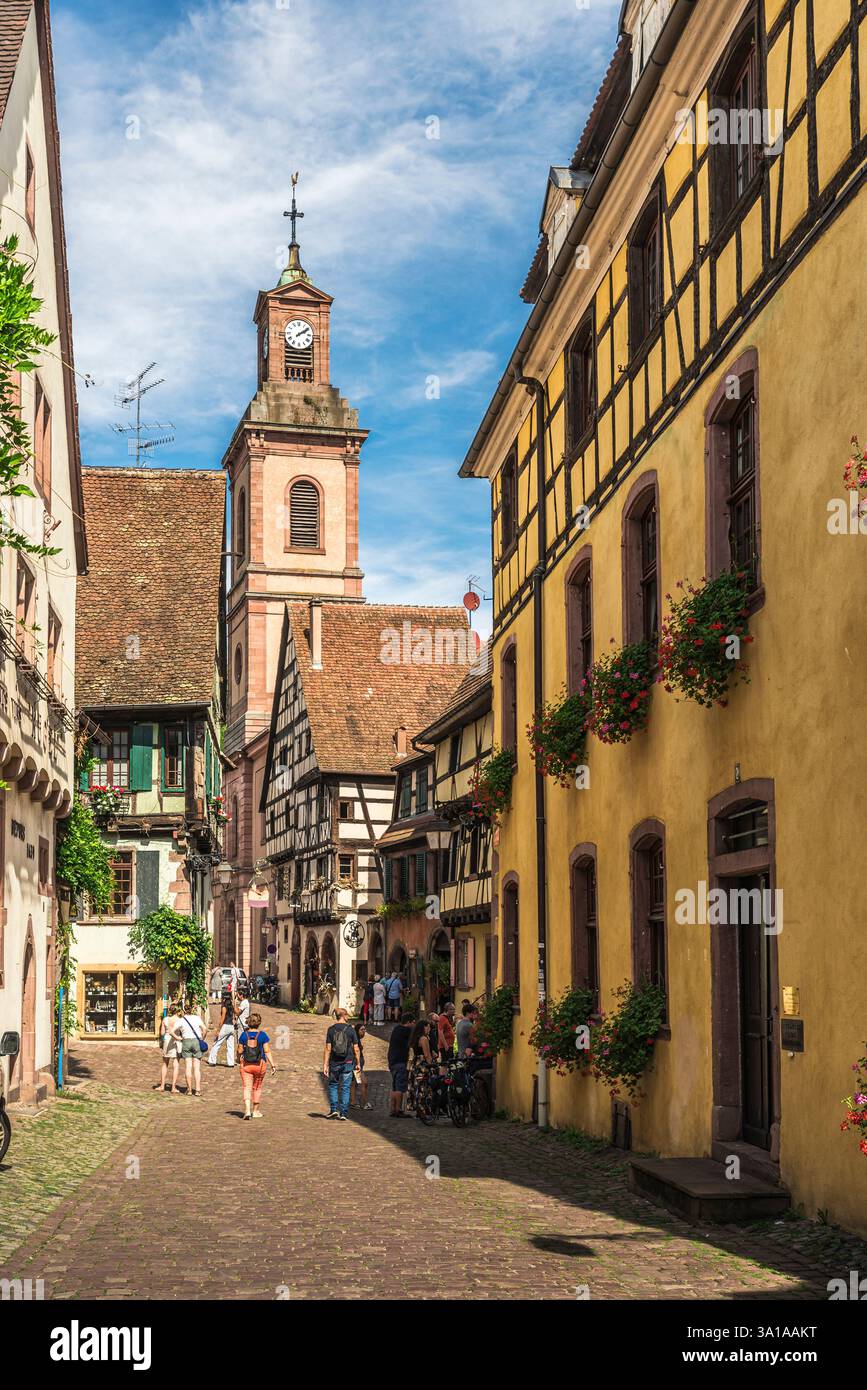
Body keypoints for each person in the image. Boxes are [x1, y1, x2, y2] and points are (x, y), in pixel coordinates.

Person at [322, 1007, 360, 1120]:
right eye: (347, 1015)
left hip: (334, 1061)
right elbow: (356, 1048)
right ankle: (343, 1113)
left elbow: (328, 1048)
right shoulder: (351, 1030)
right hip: (348, 1061)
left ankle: (334, 1109)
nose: (348, 1017)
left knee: (333, 1085)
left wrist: (325, 1064)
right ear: (343, 1016)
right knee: (345, 1087)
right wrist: (358, 1062)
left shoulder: (331, 1029)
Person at [238, 1010, 277, 1119]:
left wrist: (238, 1059)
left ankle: (247, 1110)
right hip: (260, 1064)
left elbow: (240, 1050)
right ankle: (255, 1111)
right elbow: (267, 1051)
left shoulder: (243, 1035)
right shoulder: (263, 1035)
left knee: (247, 1087)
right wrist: (272, 1065)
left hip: (246, 1065)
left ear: (248, 1022)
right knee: (257, 1087)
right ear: (259, 1023)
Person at [178, 998, 208, 1096]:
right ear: (192, 1010)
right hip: (196, 1041)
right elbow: (205, 1029)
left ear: (183, 1011)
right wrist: (202, 1038)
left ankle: (189, 1090)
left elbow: (171, 1030)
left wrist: (179, 1038)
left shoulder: (181, 1020)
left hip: (186, 1041)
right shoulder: (197, 1018)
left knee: (188, 1066)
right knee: (197, 1068)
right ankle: (198, 1090)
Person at [387, 1009, 413, 1117]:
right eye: (413, 1022)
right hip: (400, 1061)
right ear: (409, 1022)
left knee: (394, 1086)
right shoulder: (406, 1031)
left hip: (392, 1061)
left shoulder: (396, 1029)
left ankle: (393, 1109)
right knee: (400, 1087)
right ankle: (398, 1110)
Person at [156, 1003, 183, 1093]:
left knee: (165, 1063)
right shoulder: (180, 1020)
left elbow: (162, 1033)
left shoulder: (166, 1019)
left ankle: (162, 1085)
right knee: (176, 1064)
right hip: (177, 1041)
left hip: (167, 1040)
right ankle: (173, 1087)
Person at [207, 990, 236, 1067]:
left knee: (217, 1043)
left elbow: (223, 1018)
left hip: (225, 1026)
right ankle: (231, 1063)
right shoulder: (231, 1005)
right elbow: (235, 1014)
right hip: (231, 1026)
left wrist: (219, 1029)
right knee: (230, 1045)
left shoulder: (224, 1006)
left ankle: (212, 1061)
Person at [350, 1019, 373, 1110]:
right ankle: (364, 1103)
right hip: (356, 1065)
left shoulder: (357, 1039)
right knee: (364, 1082)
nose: (364, 1031)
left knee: (354, 1083)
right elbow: (355, 1050)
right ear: (357, 1030)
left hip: (357, 1065)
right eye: (362, 1030)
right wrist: (358, 1063)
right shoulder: (355, 1039)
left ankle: (353, 1102)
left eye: (365, 1029)